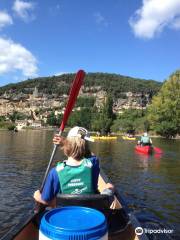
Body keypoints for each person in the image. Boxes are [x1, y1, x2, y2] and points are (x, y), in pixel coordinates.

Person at [34, 126, 114, 207]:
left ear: (67, 145)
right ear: (87, 147)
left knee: (46, 197)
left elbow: (45, 200)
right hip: (89, 209)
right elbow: (91, 155)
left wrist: (37, 196)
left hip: (66, 213)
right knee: (109, 186)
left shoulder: (55, 172)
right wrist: (66, 142)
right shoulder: (94, 163)